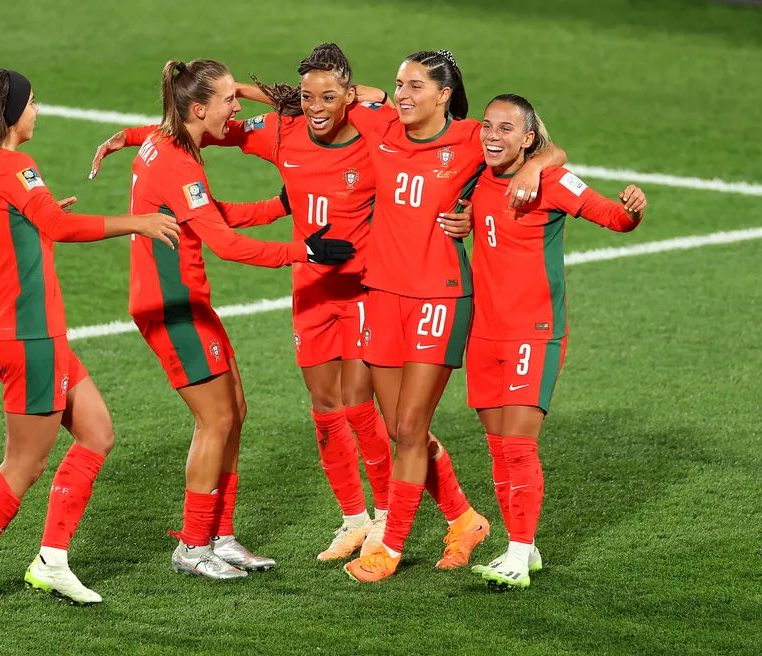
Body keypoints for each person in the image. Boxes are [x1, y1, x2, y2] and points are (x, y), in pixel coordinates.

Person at [90, 45, 471, 563]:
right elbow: (200, 127)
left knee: (366, 410)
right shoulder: (282, 133)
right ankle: (354, 519)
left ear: (348, 97)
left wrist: (462, 213)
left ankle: (388, 519)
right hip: (310, 291)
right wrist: (137, 135)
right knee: (325, 409)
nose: (316, 107)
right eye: (307, 97)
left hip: (364, 288)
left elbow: (437, 170)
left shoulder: (377, 136)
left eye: (329, 97)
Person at [0, 68, 179, 616]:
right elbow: (59, 230)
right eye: (32, 103)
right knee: (24, 465)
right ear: (9, 114)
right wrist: (136, 221)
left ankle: (52, 561)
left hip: (16, 333)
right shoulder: (16, 166)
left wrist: (25, 223)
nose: (37, 111)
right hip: (29, 337)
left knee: (97, 433)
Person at [91, 58, 355, 579]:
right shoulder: (177, 163)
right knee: (214, 418)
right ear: (198, 108)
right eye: (230, 99)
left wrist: (276, 207)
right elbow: (226, 244)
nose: (238, 109)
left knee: (235, 409)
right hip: (170, 307)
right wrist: (303, 252)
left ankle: (222, 536)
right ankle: (192, 545)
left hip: (188, 300)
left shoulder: (172, 143)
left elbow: (208, 213)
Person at [341, 50, 569, 583]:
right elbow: (316, 98)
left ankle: (389, 548)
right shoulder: (381, 122)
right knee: (399, 427)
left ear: (444, 94)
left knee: (410, 426)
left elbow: (547, 145)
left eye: (415, 86)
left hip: (440, 298)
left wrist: (535, 165)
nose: (402, 94)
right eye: (399, 84)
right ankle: (464, 519)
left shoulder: (472, 137)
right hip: (383, 292)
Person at [467, 94, 645, 589]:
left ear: (527, 139)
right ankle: (523, 544)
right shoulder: (475, 174)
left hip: (534, 333)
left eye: (507, 129)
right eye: (488, 126)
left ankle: (518, 557)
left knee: (520, 446)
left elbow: (613, 218)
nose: (492, 136)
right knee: (499, 448)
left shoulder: (549, 180)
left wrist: (631, 210)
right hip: (483, 332)